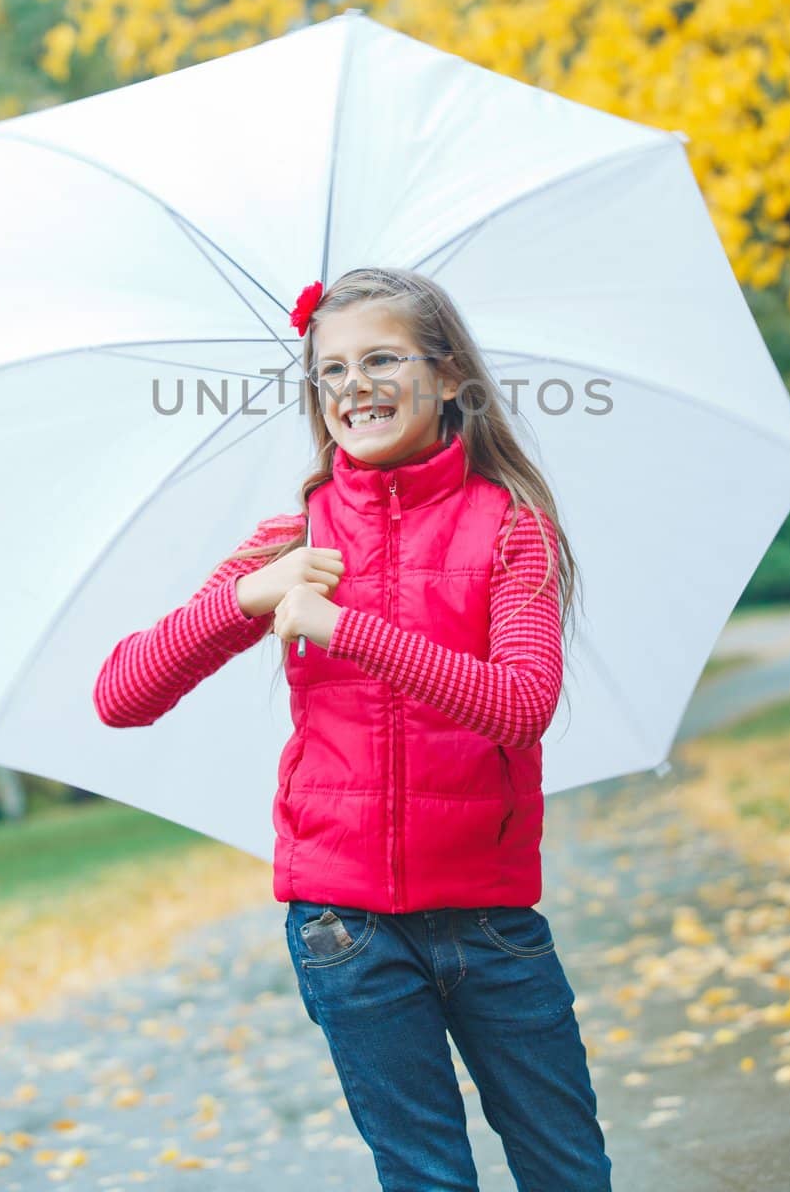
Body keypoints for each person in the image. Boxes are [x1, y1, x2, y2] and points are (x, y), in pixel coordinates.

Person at [93, 265, 613, 1192]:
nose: (352, 387)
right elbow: (121, 694)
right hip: (346, 929)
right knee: (426, 1179)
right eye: (330, 371)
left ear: (451, 376)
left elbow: (522, 704)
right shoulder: (290, 539)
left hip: (490, 920)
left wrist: (345, 628)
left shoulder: (511, 528)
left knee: (567, 1168)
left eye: (381, 358)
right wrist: (249, 596)